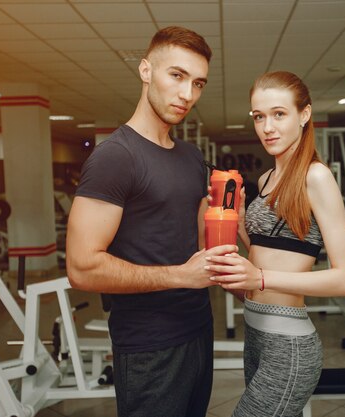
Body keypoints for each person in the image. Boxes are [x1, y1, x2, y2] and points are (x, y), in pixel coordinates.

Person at [65, 26, 237, 417]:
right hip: (149, 345)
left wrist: (228, 221)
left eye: (198, 83)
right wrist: (180, 276)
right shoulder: (115, 157)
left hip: (198, 329)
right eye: (176, 76)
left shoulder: (191, 157)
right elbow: (82, 267)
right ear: (146, 70)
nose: (187, 94)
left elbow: (193, 245)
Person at [205, 71, 345, 417]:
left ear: (304, 115)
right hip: (256, 333)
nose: (267, 127)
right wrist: (242, 222)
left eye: (279, 114)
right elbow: (273, 251)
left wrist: (259, 279)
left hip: (288, 343)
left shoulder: (316, 176)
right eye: (259, 116)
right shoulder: (267, 178)